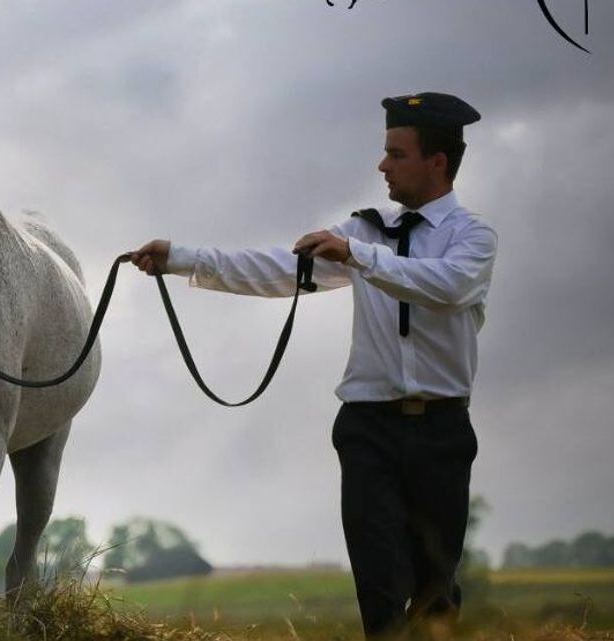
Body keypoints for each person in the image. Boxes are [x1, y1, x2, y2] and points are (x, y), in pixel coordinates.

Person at [130, 92, 496, 640]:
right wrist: (181, 257)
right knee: (378, 585)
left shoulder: (472, 238)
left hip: (443, 432)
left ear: (437, 162)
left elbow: (444, 286)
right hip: (367, 427)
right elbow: (280, 268)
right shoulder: (364, 230)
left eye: (396, 153)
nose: (382, 165)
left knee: (435, 591)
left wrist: (356, 255)